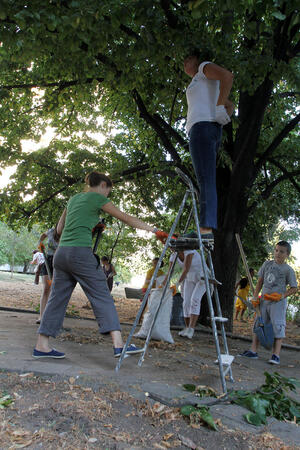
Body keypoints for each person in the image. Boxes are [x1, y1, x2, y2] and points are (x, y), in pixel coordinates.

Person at [33, 171, 162, 360]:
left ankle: (41, 346)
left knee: (56, 299)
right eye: (108, 192)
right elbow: (125, 217)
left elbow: (59, 230)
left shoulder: (74, 198)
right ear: (103, 185)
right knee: (102, 295)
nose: (107, 196)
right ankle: (119, 345)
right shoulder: (96, 198)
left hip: (61, 254)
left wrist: (89, 226)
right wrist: (154, 230)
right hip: (80, 254)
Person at [184, 50, 234, 241]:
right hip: (206, 128)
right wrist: (223, 109)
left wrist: (220, 107)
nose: (185, 65)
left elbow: (227, 76)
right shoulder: (201, 81)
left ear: (195, 58)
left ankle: (205, 231)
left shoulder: (203, 68)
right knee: (206, 180)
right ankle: (205, 228)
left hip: (202, 128)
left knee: (206, 180)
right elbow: (230, 105)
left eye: (187, 59)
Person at [239, 241, 298, 365]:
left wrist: (282, 296)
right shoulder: (267, 264)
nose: (278, 253)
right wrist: (255, 297)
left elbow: (294, 288)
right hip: (264, 301)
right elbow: (260, 281)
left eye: (282, 251)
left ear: (287, 254)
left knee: (278, 326)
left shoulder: (288, 270)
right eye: (276, 250)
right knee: (259, 324)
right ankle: (253, 351)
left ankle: (275, 355)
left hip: (278, 303)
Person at [176, 249, 210, 339]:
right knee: (186, 302)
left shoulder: (190, 251)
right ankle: (187, 328)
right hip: (190, 278)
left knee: (195, 299)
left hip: (202, 277)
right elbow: (171, 271)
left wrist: (177, 284)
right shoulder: (174, 255)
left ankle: (191, 328)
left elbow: (186, 269)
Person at [36, 225, 60, 324]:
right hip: (48, 260)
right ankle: (41, 317)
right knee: (46, 288)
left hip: (59, 262)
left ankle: (51, 317)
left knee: (55, 290)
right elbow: (42, 236)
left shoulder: (67, 233)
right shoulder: (51, 231)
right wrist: (40, 243)